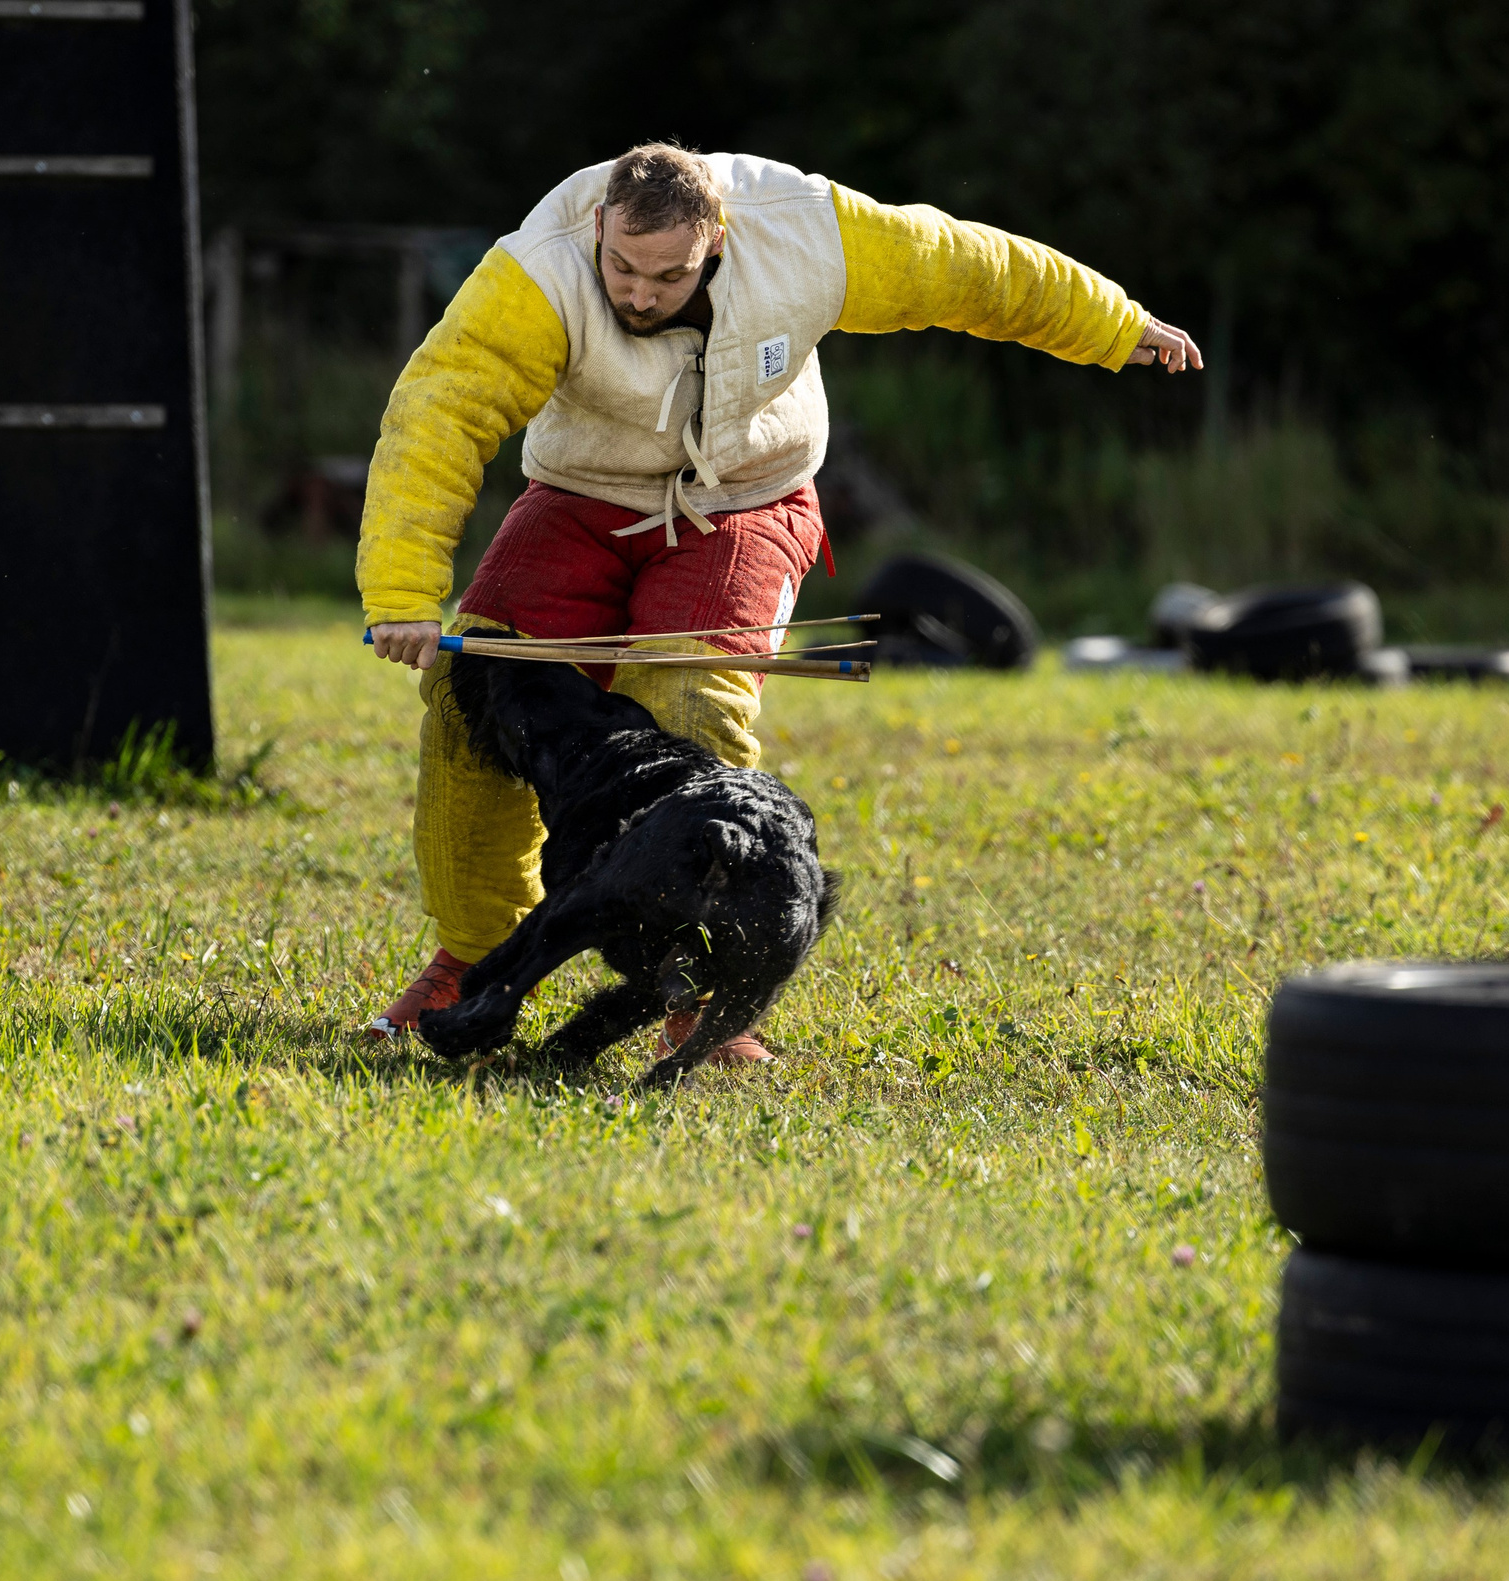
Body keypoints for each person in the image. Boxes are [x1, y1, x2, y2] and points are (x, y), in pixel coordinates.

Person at [359, 143, 1199, 1059]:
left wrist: (1117, 325)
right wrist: (405, 591)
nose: (639, 294)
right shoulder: (535, 273)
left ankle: (702, 990)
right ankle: (473, 957)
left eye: (669, 274)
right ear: (599, 226)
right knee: (467, 699)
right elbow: (439, 412)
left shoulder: (806, 231)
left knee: (688, 696)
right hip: (580, 493)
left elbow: (967, 268)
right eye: (623, 268)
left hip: (746, 497)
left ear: (716, 238)